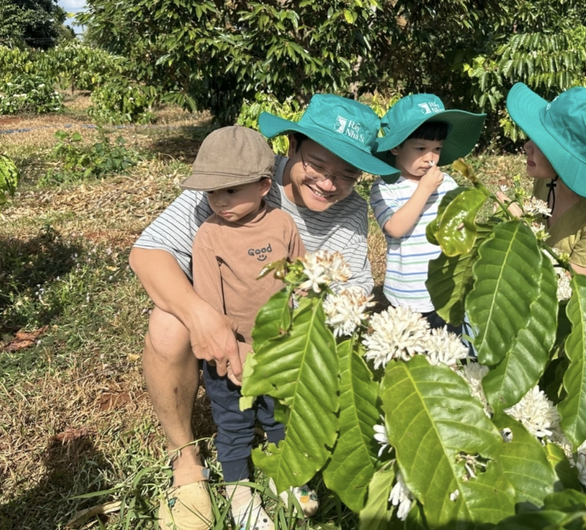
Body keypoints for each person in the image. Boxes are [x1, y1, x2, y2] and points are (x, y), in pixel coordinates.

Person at [129, 95, 399, 530]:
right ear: (291, 147)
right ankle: (185, 461)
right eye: (318, 165)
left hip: (286, 334)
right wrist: (206, 320)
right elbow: (148, 253)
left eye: (348, 173)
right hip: (225, 315)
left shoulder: (350, 208)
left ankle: (286, 446)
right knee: (168, 324)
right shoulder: (240, 175)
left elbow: (353, 290)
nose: (330, 184)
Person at [181, 126, 306, 529]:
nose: (220, 201)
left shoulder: (284, 225)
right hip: (229, 353)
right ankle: (241, 497)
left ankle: (288, 478)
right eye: (212, 192)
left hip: (280, 349)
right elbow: (209, 305)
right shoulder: (210, 235)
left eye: (231, 191)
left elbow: (299, 278)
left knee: (279, 417)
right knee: (233, 426)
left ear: (264, 186)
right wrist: (232, 351)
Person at [499, 83, 586, 280]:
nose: (527, 146)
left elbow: (572, 289)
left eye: (543, 143)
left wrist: (523, 230)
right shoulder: (548, 179)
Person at [369, 94, 485, 330]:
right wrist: (423, 190)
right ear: (396, 147)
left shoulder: (448, 184)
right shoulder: (384, 188)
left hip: (446, 291)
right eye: (420, 148)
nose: (430, 159)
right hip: (407, 296)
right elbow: (395, 228)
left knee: (449, 354)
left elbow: (459, 225)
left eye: (437, 149)